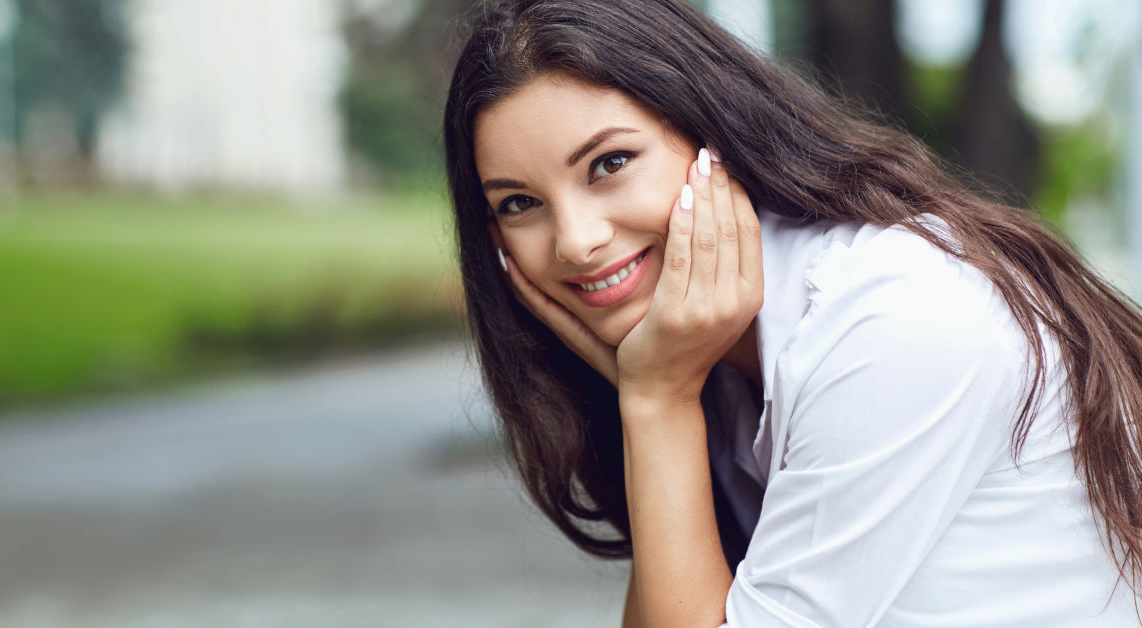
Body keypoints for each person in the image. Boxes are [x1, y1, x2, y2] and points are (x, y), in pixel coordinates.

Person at [442, 0, 1142, 625]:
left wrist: (655, 399)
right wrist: (657, 394)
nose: (576, 241)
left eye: (609, 164)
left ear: (710, 130)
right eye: (518, 204)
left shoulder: (894, 322)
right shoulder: (703, 352)